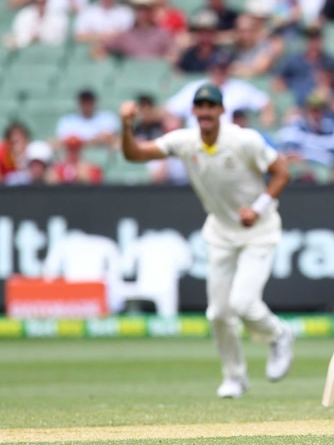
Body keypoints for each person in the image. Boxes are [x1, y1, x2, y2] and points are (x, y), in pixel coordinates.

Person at [119, 83, 295, 399]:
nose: (205, 112)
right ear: (193, 112)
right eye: (199, 107)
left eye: (211, 106)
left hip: (259, 231)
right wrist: (126, 125)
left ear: (221, 111)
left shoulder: (245, 140)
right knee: (217, 313)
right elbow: (134, 155)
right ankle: (235, 378)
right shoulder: (185, 142)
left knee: (243, 304)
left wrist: (257, 209)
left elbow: (282, 172)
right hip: (220, 233)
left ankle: (279, 334)